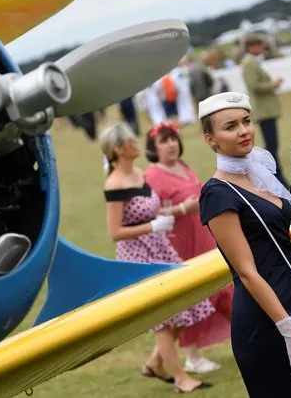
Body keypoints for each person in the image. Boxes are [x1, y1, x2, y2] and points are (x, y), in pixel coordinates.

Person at [198, 92, 291, 397]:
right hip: (267, 317)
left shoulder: (259, 173)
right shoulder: (218, 193)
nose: (244, 131)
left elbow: (266, 238)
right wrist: (286, 327)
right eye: (230, 126)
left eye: (246, 121)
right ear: (211, 139)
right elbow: (246, 271)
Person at [100, 122, 214, 393]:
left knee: (184, 307)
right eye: (131, 141)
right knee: (163, 319)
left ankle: (154, 364)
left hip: (160, 248)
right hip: (138, 256)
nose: (137, 144)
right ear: (119, 149)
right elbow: (115, 232)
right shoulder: (115, 184)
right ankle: (180, 378)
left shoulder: (139, 174)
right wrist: (151, 226)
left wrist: (167, 215)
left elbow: (152, 210)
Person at [144, 121, 233, 374]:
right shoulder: (151, 175)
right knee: (195, 298)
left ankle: (155, 361)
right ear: (154, 147)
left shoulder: (183, 166)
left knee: (219, 291)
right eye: (164, 141)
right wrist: (182, 209)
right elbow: (148, 211)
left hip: (203, 236)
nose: (171, 144)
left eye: (173, 139)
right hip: (180, 243)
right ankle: (192, 356)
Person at [240, 34, 288, 187]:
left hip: (266, 110)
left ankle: (277, 178)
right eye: (259, 45)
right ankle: (276, 178)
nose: (262, 48)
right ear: (251, 47)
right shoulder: (249, 63)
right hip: (263, 110)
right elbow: (254, 86)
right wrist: (272, 84)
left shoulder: (252, 62)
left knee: (272, 146)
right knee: (271, 147)